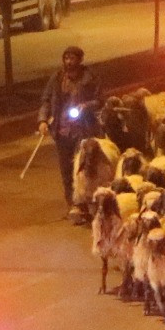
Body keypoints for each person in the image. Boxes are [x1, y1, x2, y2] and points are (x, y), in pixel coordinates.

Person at [38, 46, 103, 223]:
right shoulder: (57, 78)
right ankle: (72, 204)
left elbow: (99, 100)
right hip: (62, 130)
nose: (69, 61)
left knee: (81, 169)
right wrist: (43, 120)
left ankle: (84, 203)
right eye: (66, 58)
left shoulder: (90, 78)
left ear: (80, 60)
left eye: (72, 58)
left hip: (83, 130)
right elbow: (46, 100)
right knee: (66, 169)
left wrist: (86, 106)